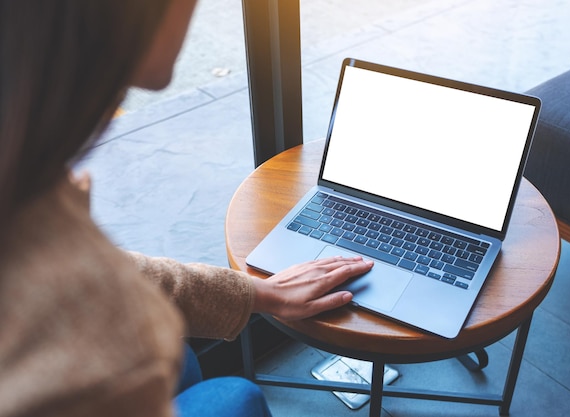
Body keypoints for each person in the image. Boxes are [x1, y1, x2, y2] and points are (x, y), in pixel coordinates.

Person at [0, 1, 374, 416]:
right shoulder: (100, 370)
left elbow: (118, 272)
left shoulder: (24, 169)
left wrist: (258, 292)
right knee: (237, 398)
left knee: (185, 361)